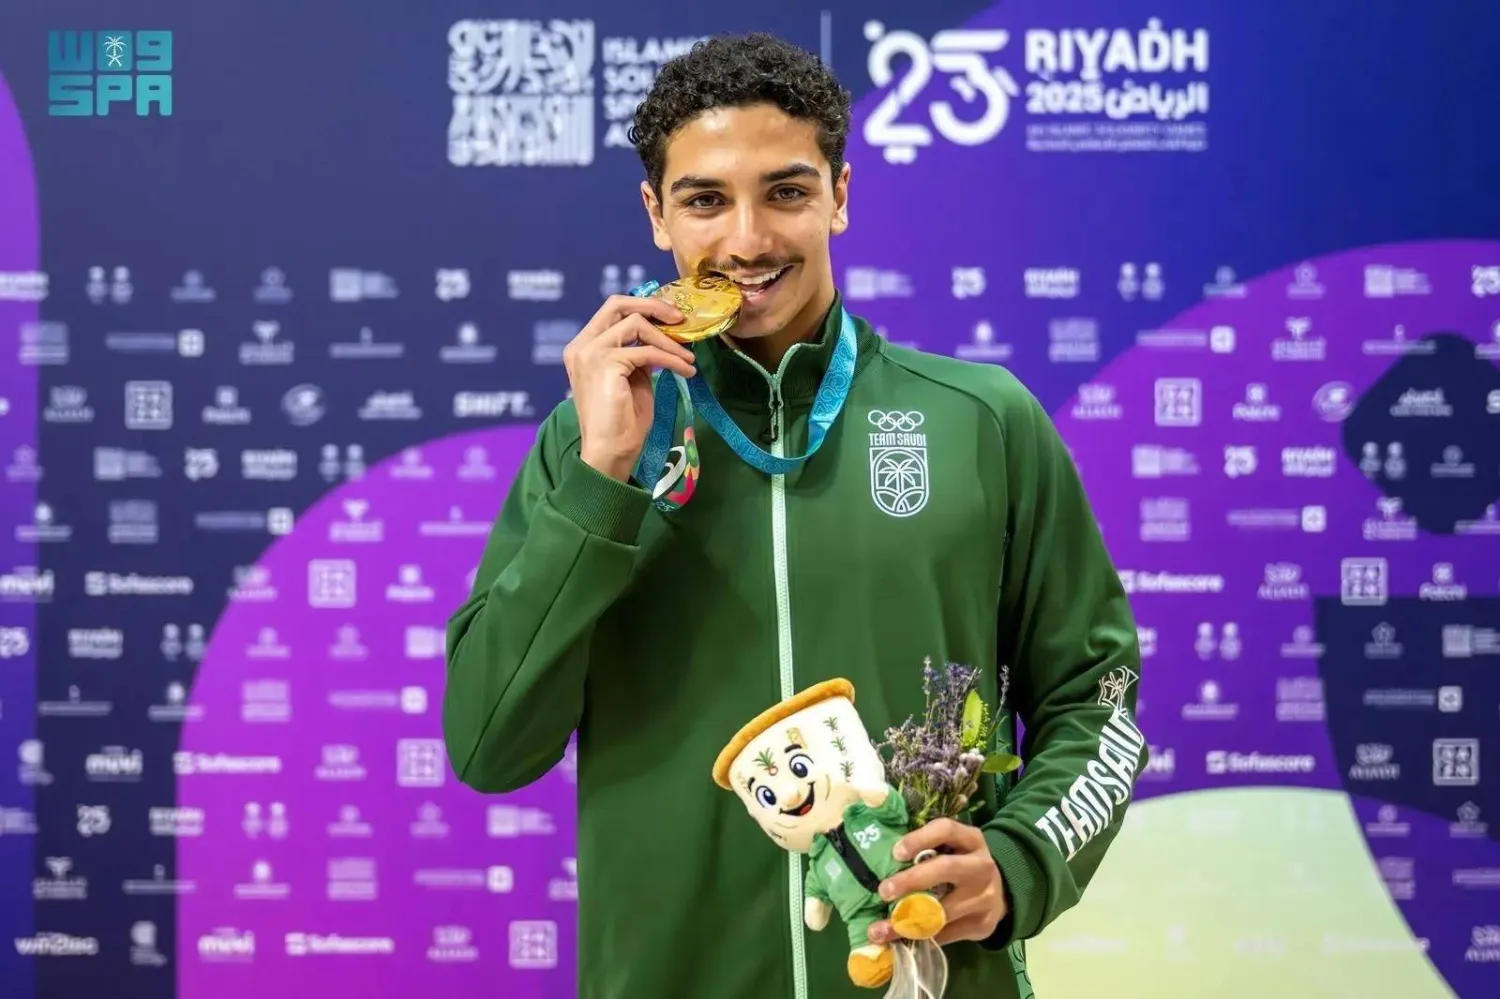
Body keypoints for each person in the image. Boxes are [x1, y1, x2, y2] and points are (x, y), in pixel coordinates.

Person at [443, 32, 1145, 999]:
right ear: (656, 214)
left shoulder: (983, 420)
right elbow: (488, 745)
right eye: (704, 200)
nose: (746, 240)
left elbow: (1097, 702)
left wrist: (1021, 857)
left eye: (785, 191)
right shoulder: (594, 443)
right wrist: (603, 477)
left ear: (840, 196)